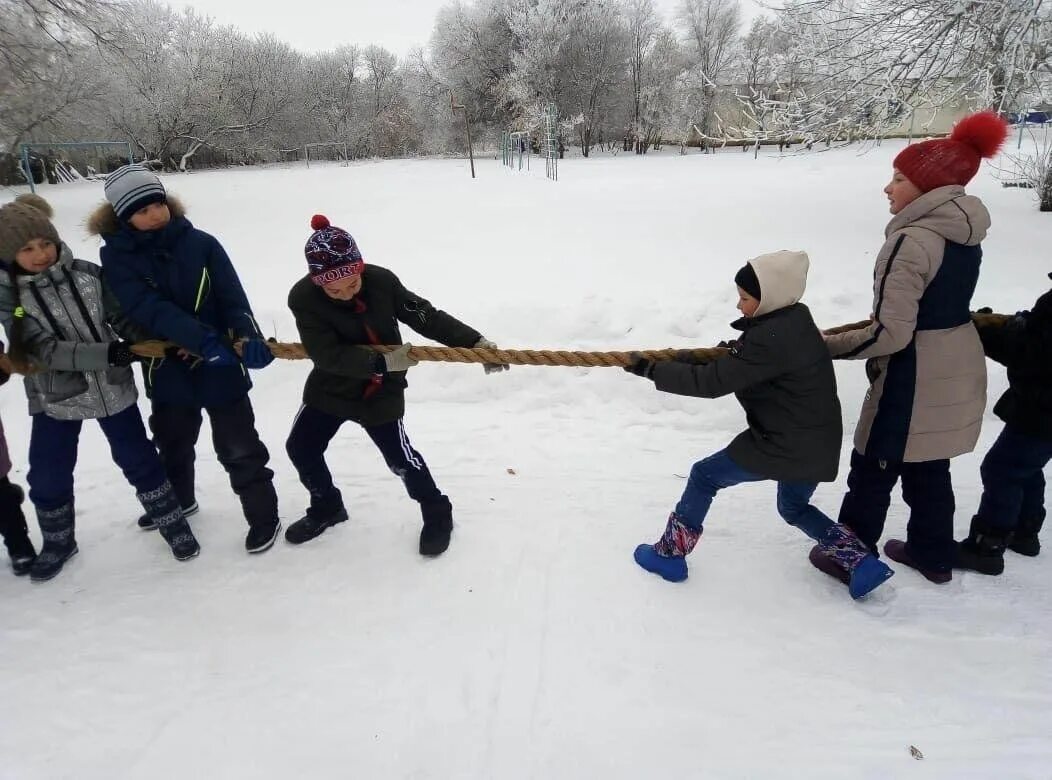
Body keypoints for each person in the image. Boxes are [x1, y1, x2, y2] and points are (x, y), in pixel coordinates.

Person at [625, 250, 893, 599]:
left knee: (704, 476)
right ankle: (861, 562)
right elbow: (745, 364)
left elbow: (712, 383)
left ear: (769, 298)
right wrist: (699, 358)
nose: (739, 306)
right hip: (817, 442)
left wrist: (652, 369)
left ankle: (670, 554)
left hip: (782, 442)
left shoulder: (769, 338)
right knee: (794, 507)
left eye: (745, 298)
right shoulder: (795, 321)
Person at [818, 111, 1008, 584]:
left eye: (899, 178)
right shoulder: (963, 232)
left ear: (928, 188)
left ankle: (849, 557)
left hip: (915, 373)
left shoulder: (910, 240)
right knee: (929, 464)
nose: (888, 188)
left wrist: (821, 347)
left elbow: (892, 333)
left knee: (874, 463)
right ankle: (932, 554)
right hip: (955, 358)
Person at [0, 193, 199, 581]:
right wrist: (111, 354)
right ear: (9, 256)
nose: (41, 254)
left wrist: (157, 342)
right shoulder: (13, 301)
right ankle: (59, 540)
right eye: (27, 249)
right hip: (56, 397)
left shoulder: (89, 275)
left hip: (112, 389)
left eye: (45, 243)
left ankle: (172, 522)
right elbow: (43, 350)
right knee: (48, 472)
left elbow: (120, 318)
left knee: (139, 459)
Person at [284, 214, 508, 556]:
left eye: (352, 285)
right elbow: (326, 354)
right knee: (301, 447)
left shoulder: (382, 282)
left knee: (400, 458)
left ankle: (437, 512)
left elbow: (425, 316)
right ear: (318, 283)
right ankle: (327, 505)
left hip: (380, 389)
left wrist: (475, 342)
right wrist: (381, 360)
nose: (345, 295)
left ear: (359, 269)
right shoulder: (303, 298)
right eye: (334, 290)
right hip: (333, 384)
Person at [90, 164, 282, 554]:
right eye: (142, 211)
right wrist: (200, 339)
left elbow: (232, 296)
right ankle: (181, 498)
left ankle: (264, 515)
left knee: (238, 445)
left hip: (223, 366)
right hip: (168, 368)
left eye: (158, 203)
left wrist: (247, 335)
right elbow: (144, 306)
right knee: (173, 442)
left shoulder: (202, 244)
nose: (154, 214)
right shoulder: (117, 258)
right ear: (124, 218)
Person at [954, 277, 1052, 574]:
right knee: (1025, 468)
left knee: (1002, 469)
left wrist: (988, 336)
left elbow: (1032, 353)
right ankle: (1024, 532)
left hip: (1042, 409)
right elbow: (1036, 334)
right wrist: (1014, 324)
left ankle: (988, 546)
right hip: (1041, 408)